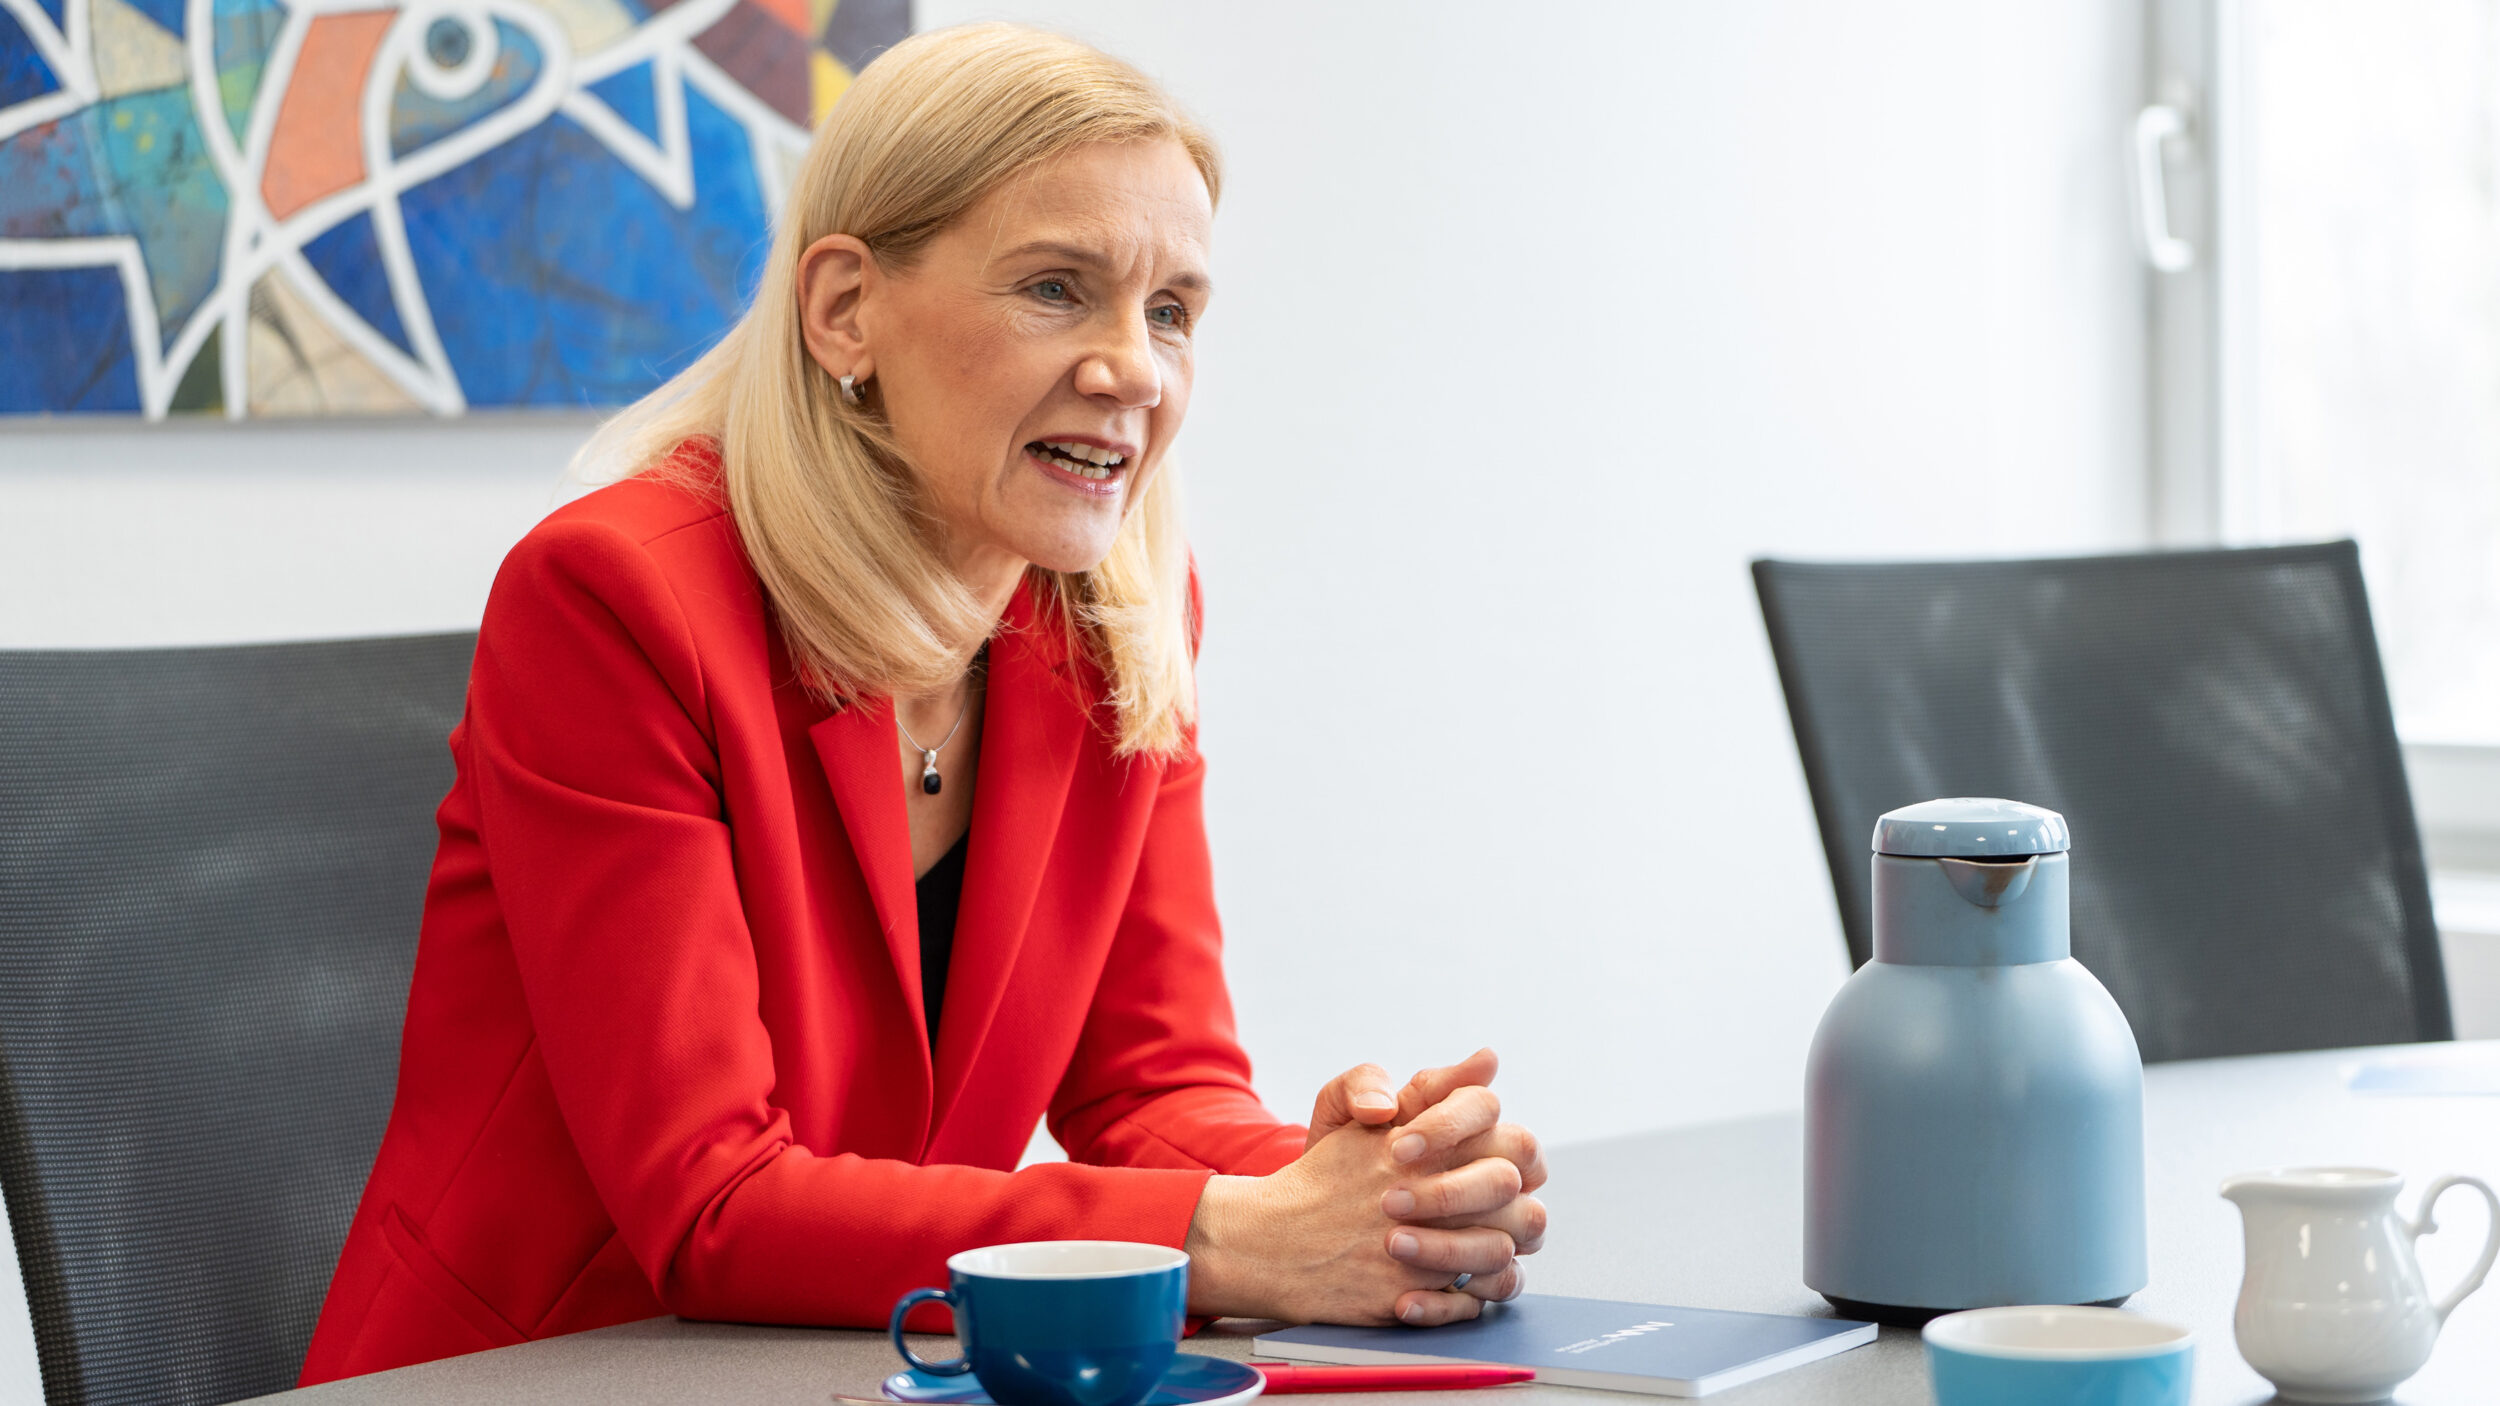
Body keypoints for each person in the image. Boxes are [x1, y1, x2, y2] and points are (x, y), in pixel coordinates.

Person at [299, 23, 1547, 1385]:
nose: (1134, 366)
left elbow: (1150, 1089)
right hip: (546, 1371)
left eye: (1173, 309)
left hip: (866, 1362)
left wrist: (1378, 1196)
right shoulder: (613, 601)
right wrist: (1240, 1239)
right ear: (844, 310)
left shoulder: (1115, 614)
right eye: (1058, 289)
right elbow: (714, 1200)